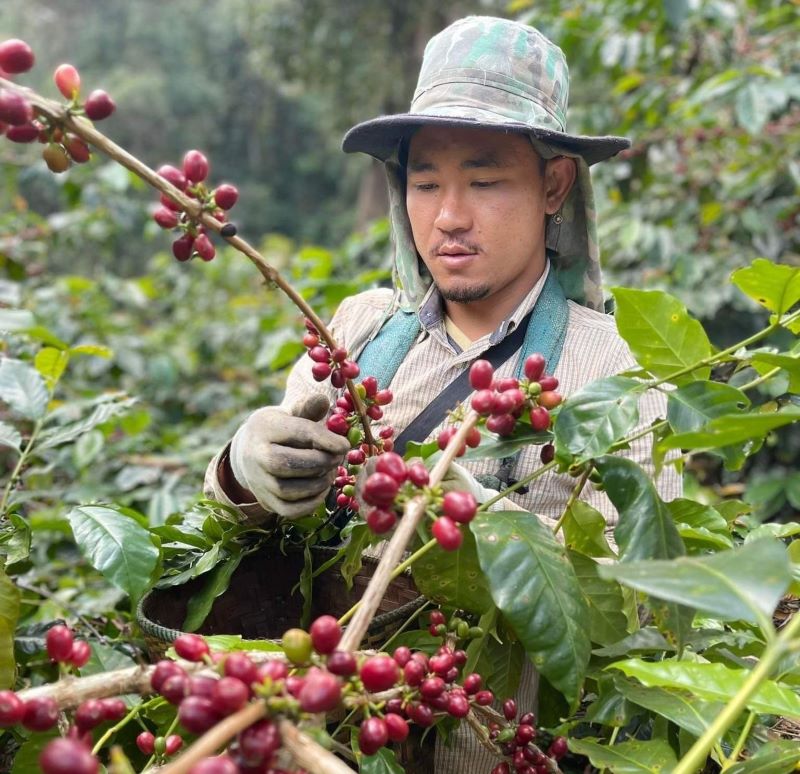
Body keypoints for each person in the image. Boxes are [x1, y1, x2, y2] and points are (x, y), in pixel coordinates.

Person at [205, 15, 681, 772]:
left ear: (554, 184)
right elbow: (244, 532)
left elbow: (637, 608)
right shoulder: (358, 334)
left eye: (485, 180)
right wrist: (243, 468)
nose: (448, 217)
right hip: (331, 741)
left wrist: (471, 522)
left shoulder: (616, 371)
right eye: (425, 182)